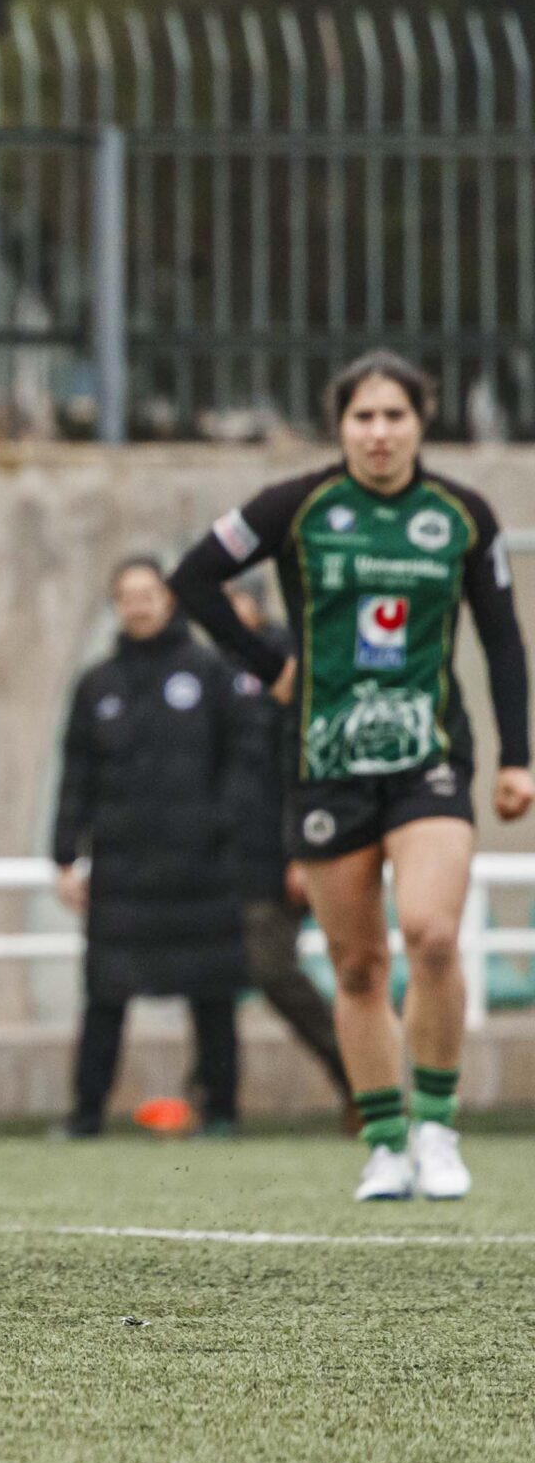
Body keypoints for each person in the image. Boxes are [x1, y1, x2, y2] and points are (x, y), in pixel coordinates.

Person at [170, 350, 530, 1202]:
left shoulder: (463, 515)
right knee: (358, 964)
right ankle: (385, 1140)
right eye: (363, 417)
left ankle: (438, 1127)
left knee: (433, 932)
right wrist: (270, 663)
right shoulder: (297, 507)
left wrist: (518, 757)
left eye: (394, 416)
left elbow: (505, 640)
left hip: (428, 758)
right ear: (341, 426)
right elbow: (194, 576)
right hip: (326, 765)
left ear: (421, 422)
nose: (378, 432)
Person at [51, 557, 254, 1137]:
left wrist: (223, 827)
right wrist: (66, 856)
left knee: (214, 996)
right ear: (118, 606)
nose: (139, 605)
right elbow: (76, 776)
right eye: (128, 596)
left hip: (203, 868)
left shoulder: (210, 672)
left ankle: (222, 1112)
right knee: (104, 997)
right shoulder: (97, 684)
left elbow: (243, 762)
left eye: (149, 594)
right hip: (122, 869)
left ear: (168, 601)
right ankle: (86, 1115)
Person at [221, 579, 355, 1123]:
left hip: (275, 852)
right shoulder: (213, 668)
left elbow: (303, 762)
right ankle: (213, 1098)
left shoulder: (286, 662)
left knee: (272, 967)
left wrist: (302, 849)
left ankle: (361, 1073)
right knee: (214, 978)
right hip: (221, 852)